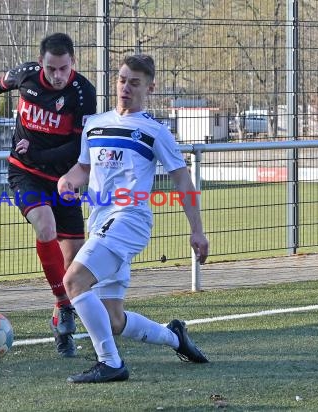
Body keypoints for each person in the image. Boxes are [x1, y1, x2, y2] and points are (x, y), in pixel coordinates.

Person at [57, 54, 210, 383]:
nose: (126, 87)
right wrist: (68, 180)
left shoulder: (154, 131)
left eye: (134, 83)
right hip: (100, 222)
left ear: (149, 88)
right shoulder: (95, 124)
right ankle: (175, 337)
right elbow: (84, 168)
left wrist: (197, 231)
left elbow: (182, 180)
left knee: (74, 281)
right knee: (113, 320)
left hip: (129, 220)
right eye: (122, 80)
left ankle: (110, 362)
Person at [0, 33, 97, 357]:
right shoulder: (25, 74)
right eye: (51, 68)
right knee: (45, 226)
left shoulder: (83, 93)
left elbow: (77, 145)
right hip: (24, 173)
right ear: (42, 62)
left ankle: (61, 322)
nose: (57, 76)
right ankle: (64, 306)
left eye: (63, 68)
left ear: (73, 63)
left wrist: (42, 157)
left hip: (63, 181)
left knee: (73, 264)